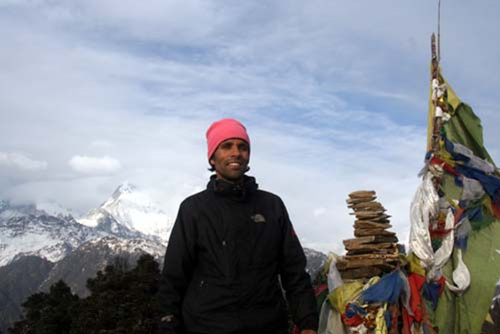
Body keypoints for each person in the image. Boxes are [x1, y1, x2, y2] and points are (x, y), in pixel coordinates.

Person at [157, 118, 318, 334]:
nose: (236, 153)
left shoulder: (272, 206)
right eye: (226, 146)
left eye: (242, 147)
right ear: (212, 157)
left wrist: (307, 322)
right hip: (207, 326)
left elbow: (294, 271)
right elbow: (174, 276)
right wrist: (168, 324)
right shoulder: (193, 209)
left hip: (268, 325)